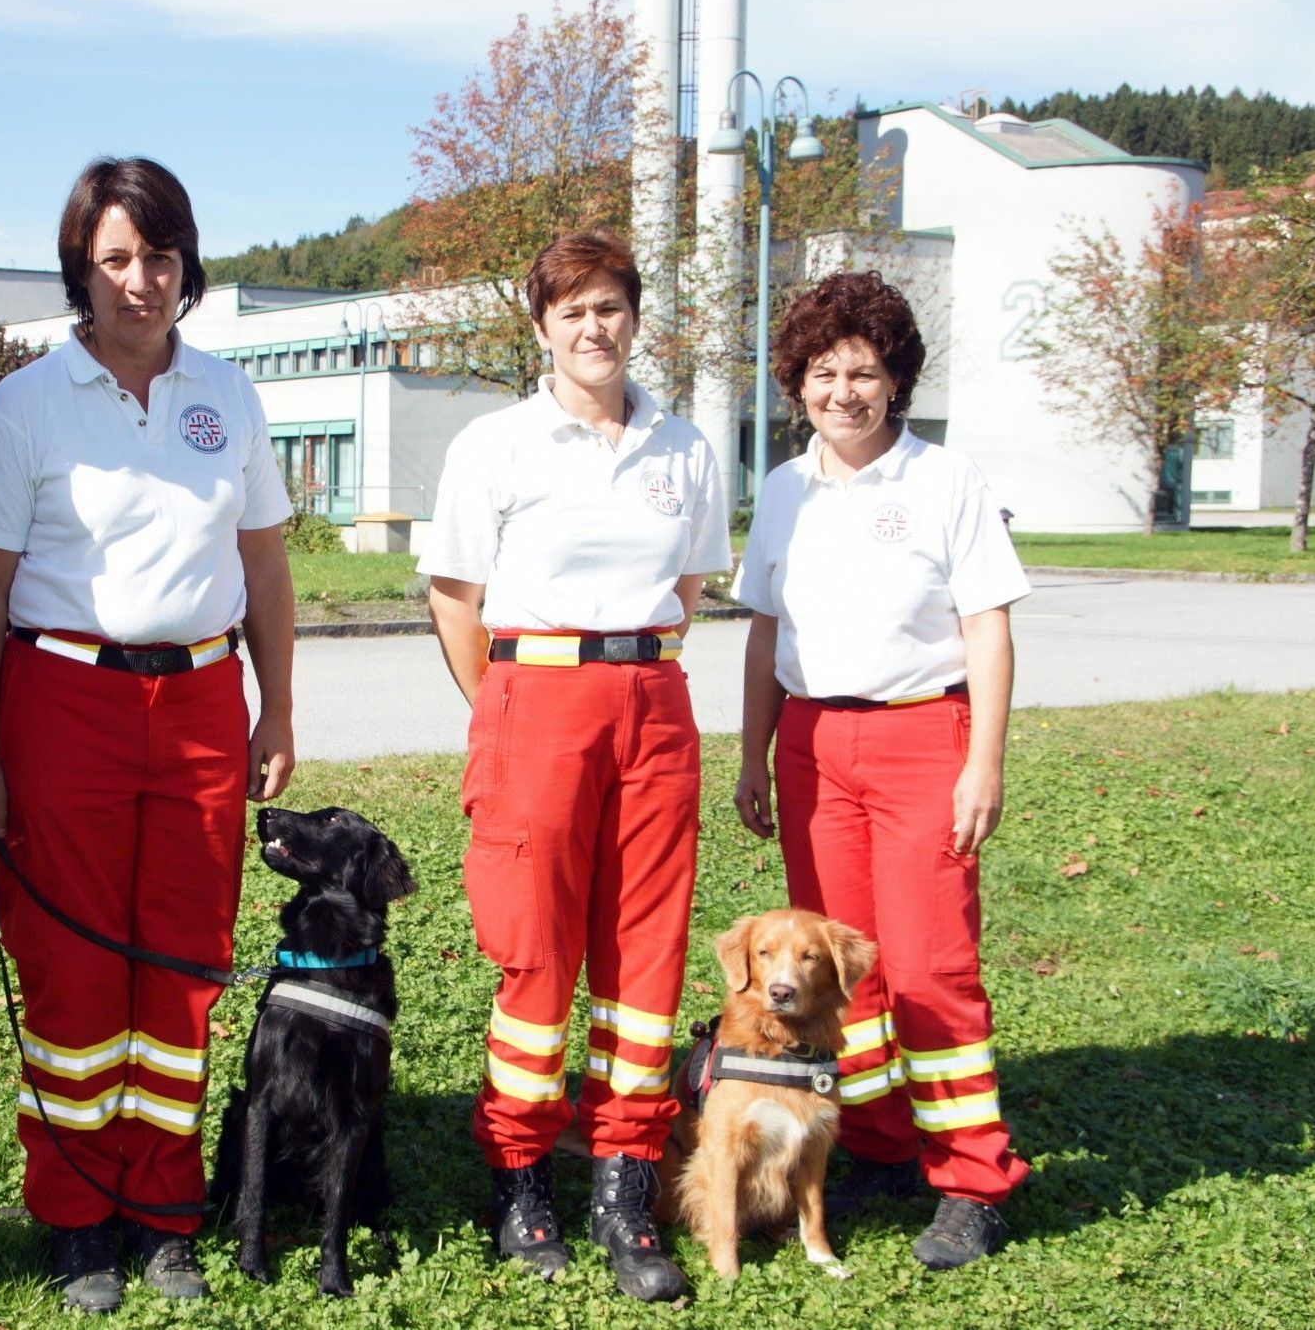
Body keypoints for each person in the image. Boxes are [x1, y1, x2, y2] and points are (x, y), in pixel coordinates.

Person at [0, 156, 295, 1312]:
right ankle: (74, 1214)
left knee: (182, 966)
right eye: (114, 260)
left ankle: (161, 1210)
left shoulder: (230, 396)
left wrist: (275, 705)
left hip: (199, 702)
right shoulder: (27, 403)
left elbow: (262, 563)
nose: (139, 280)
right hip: (64, 703)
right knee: (75, 970)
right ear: (80, 273)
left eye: (157, 256)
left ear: (185, 263)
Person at [419, 230, 731, 1303]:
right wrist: (509, 705)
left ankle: (623, 1179)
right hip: (534, 697)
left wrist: (622, 666)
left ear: (634, 317)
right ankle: (517, 1174)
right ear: (540, 326)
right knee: (535, 950)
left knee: (645, 957)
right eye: (571, 311)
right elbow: (455, 599)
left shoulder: (685, 446)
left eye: (609, 307)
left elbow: (688, 586)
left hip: (651, 696)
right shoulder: (497, 443)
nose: (592, 328)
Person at [731, 270, 1032, 1271]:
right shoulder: (782, 488)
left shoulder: (943, 481)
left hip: (917, 739)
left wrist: (980, 758)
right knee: (839, 973)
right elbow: (764, 630)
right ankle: (877, 1142)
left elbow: (986, 624)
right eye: (823, 371)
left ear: (895, 380)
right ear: (797, 382)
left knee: (932, 968)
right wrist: (753, 755)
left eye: (864, 370)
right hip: (815, 745)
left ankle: (972, 1178)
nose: (843, 390)